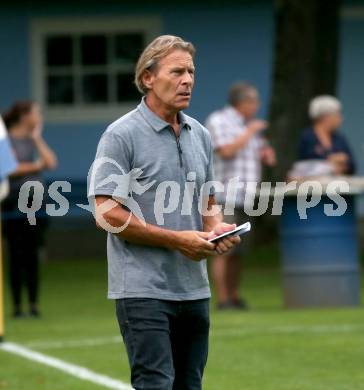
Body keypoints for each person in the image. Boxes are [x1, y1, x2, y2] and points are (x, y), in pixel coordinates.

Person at [88, 35, 241, 390]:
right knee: (155, 383)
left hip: (194, 289)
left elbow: (207, 201)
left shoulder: (200, 134)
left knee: (190, 384)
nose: (187, 80)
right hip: (142, 290)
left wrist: (216, 229)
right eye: (177, 72)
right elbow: (107, 212)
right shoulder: (120, 135)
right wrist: (177, 241)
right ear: (148, 78)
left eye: (191, 71)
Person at [205, 82, 276, 310]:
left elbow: (256, 156)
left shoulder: (248, 127)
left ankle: (234, 296)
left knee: (239, 250)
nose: (257, 106)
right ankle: (223, 299)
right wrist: (250, 132)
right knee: (222, 248)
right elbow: (226, 151)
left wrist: (265, 154)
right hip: (224, 194)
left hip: (247, 197)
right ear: (243, 102)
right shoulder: (219, 120)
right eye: (254, 101)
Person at [2, 101, 57, 318]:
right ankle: (17, 306)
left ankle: (33, 305)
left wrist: (36, 138)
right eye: (36, 113)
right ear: (24, 115)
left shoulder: (32, 140)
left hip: (36, 205)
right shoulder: (6, 139)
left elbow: (51, 162)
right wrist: (36, 166)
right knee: (16, 256)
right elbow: (10, 169)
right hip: (13, 205)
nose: (39, 116)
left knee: (32, 256)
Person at [298, 95, 355, 174]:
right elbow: (304, 164)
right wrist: (330, 161)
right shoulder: (307, 137)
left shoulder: (340, 138)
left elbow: (352, 164)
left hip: (338, 184)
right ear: (325, 116)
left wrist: (343, 163)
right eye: (337, 114)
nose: (341, 118)